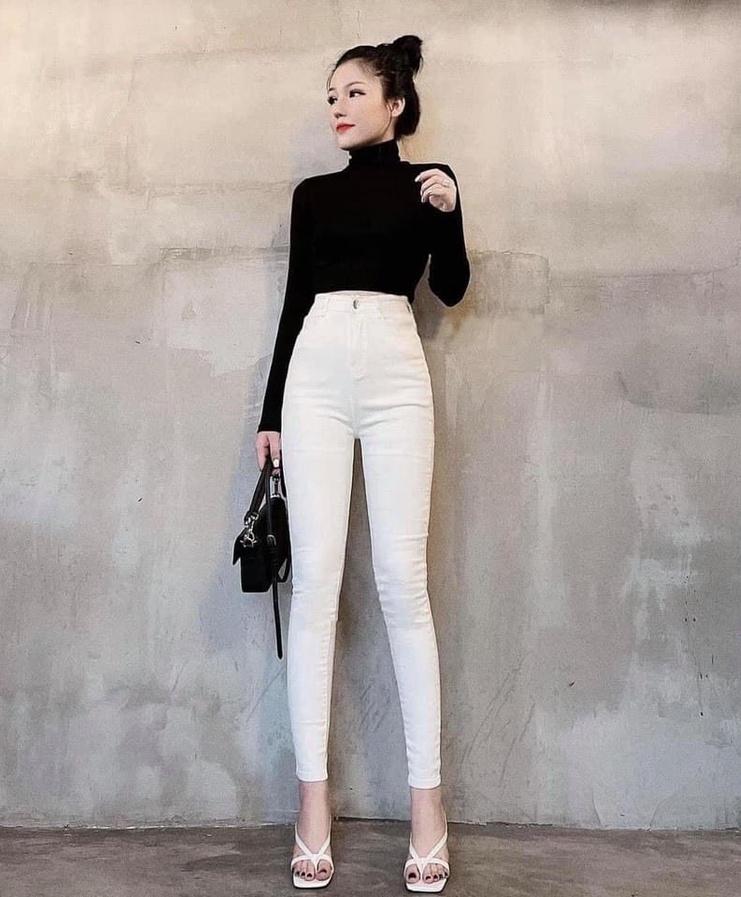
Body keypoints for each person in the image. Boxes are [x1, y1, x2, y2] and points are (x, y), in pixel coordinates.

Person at [254, 34, 470, 892]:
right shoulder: (311, 195)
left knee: (401, 582)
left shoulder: (429, 186)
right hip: (314, 372)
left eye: (352, 92)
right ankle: (312, 802)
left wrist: (449, 213)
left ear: (395, 103)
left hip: (392, 371)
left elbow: (449, 288)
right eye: (330, 96)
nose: (337, 107)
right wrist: (270, 412)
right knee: (315, 586)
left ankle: (427, 805)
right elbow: (292, 304)